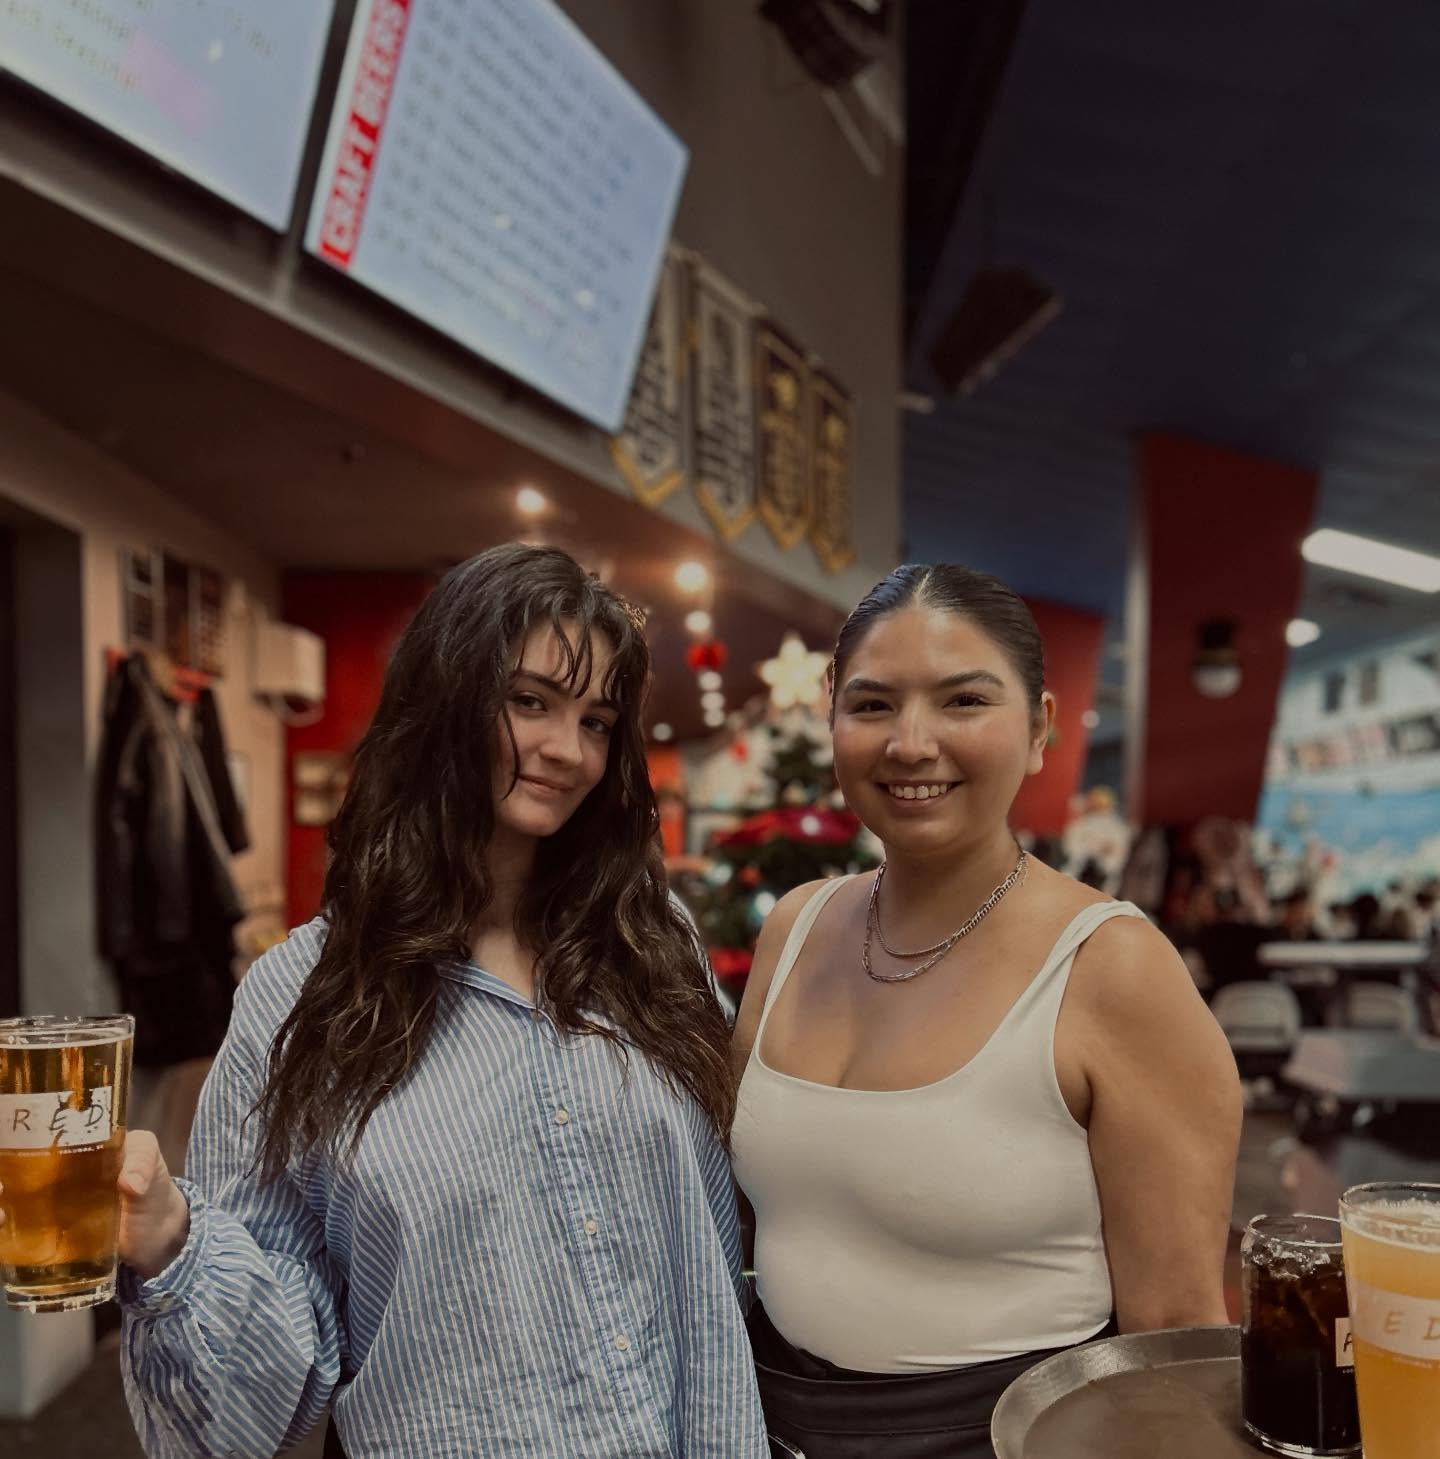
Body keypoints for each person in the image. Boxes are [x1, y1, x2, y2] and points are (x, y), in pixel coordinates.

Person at [100, 545, 769, 1459]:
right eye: (528, 701)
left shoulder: (652, 945)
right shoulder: (305, 995)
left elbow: (738, 1220)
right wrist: (172, 1241)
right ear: (445, 697)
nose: (568, 750)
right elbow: (270, 1389)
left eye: (597, 721)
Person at [731, 563, 1242, 1459]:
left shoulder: (1111, 967)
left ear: (1040, 727)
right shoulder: (795, 927)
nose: (911, 743)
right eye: (873, 704)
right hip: (767, 1423)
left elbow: (1175, 1338)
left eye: (963, 701)